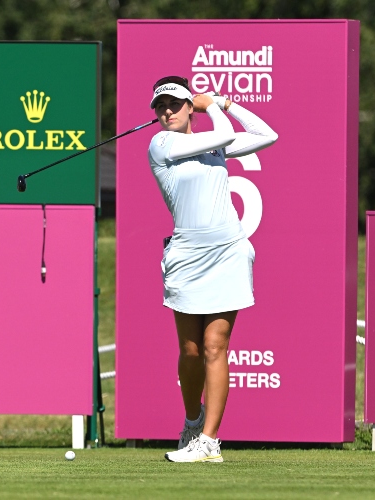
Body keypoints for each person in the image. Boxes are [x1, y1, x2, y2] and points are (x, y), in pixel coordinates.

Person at [147, 76, 278, 462]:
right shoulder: (162, 144)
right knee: (190, 351)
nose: (167, 111)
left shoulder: (214, 143)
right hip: (187, 256)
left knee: (214, 346)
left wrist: (226, 103)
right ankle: (193, 420)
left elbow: (267, 135)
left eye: (175, 104)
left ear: (190, 107)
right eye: (160, 106)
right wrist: (213, 107)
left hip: (228, 253)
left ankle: (209, 442)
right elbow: (224, 136)